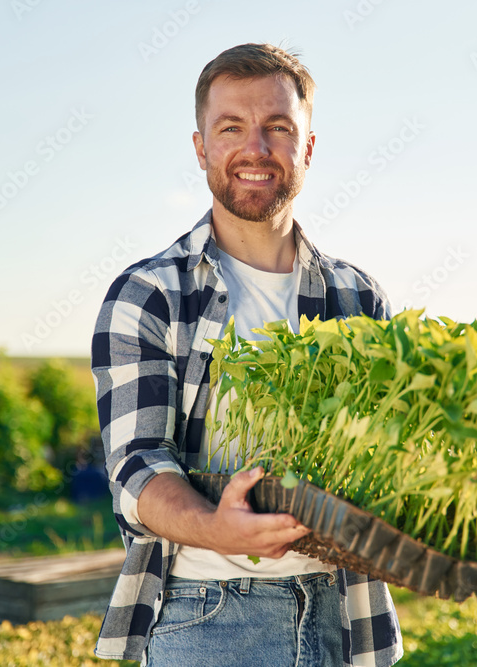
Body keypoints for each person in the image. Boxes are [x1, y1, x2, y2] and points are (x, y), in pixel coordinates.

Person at [91, 43, 402, 666]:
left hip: (349, 614)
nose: (255, 149)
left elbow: (387, 453)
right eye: (231, 127)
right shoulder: (150, 294)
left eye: (278, 128)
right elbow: (136, 465)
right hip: (207, 617)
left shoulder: (358, 296)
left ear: (307, 148)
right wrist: (215, 527)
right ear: (201, 147)